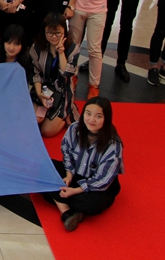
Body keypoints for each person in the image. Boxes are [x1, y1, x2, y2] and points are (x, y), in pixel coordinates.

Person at [43, 96, 123, 232]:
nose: (91, 120)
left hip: (97, 186)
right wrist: (68, 176)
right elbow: (67, 154)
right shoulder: (74, 128)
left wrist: (75, 191)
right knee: (44, 168)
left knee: (92, 204)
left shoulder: (113, 144)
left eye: (98, 116)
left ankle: (58, 197)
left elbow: (102, 180)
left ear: (106, 118)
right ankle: (66, 211)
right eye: (88, 114)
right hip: (75, 174)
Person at [30, 12, 80, 138]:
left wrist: (61, 52)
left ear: (64, 32)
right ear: (44, 32)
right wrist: (39, 94)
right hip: (43, 89)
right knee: (36, 121)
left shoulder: (73, 48)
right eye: (49, 33)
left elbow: (66, 74)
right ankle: (45, 111)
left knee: (46, 131)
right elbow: (36, 73)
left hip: (62, 92)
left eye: (58, 33)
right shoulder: (37, 47)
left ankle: (66, 115)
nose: (54, 37)